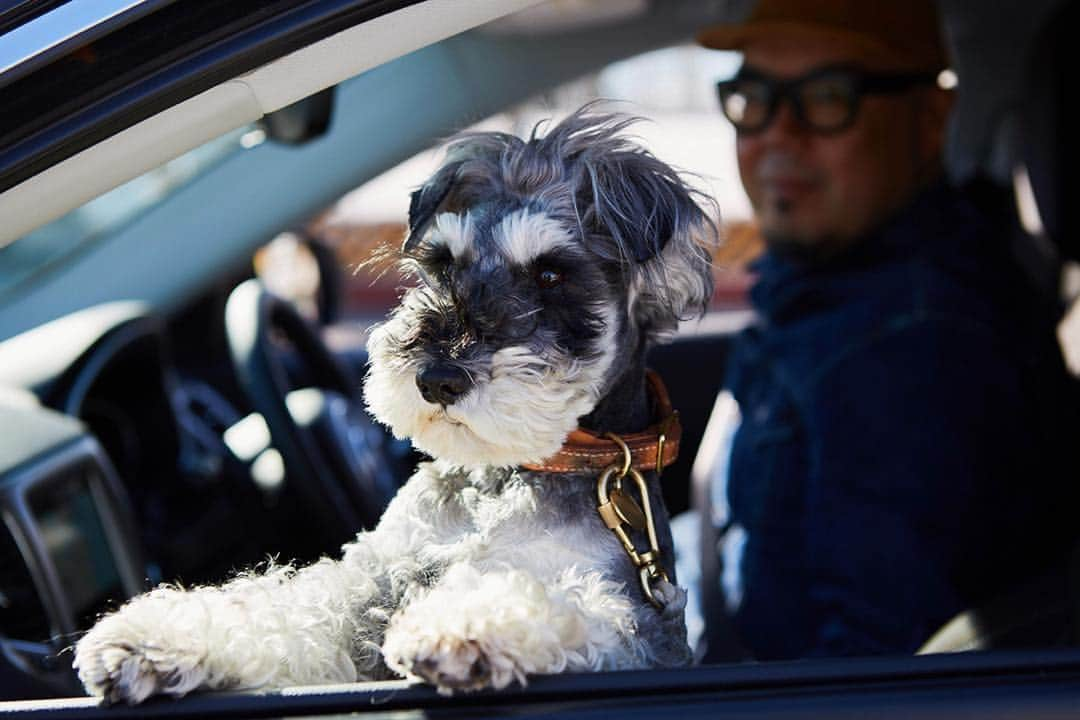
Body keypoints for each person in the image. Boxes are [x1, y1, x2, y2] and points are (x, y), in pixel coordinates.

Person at [691, 0, 1080, 661]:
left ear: (930, 119)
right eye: (753, 96)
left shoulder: (912, 348)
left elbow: (870, 680)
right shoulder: (839, 290)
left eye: (827, 96)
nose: (778, 133)